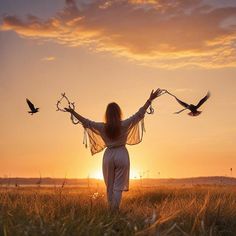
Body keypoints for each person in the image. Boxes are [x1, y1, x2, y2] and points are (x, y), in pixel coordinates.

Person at [65, 89, 162, 210]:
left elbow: (86, 121)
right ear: (119, 113)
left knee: (109, 186)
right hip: (122, 153)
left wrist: (72, 112)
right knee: (118, 186)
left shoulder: (102, 127)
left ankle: (111, 210)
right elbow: (139, 113)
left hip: (108, 155)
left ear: (107, 114)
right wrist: (150, 100)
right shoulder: (125, 124)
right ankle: (114, 210)